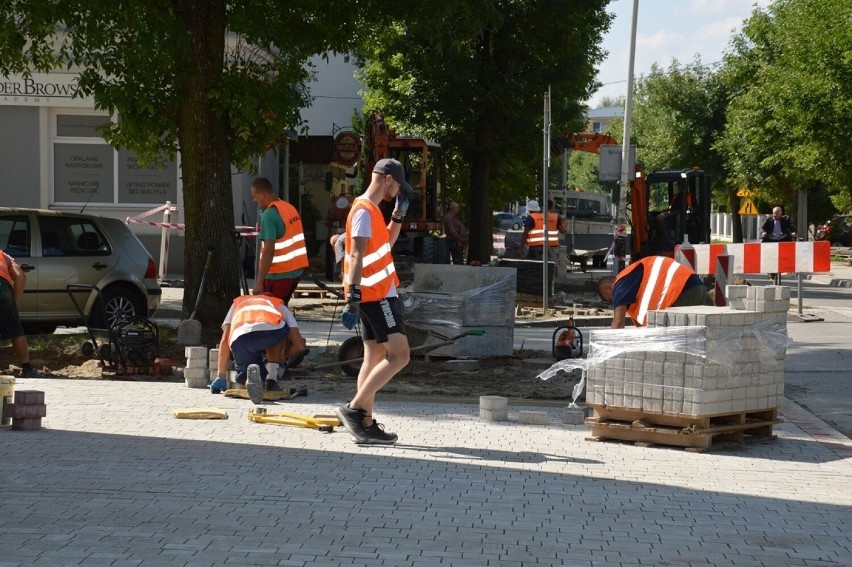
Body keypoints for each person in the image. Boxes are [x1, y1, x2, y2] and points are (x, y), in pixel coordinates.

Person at [334, 157, 412, 444]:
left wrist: (398, 215)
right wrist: (353, 297)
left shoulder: (373, 210)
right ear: (388, 179)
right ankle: (355, 409)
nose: (398, 193)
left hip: (375, 293)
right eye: (398, 187)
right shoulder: (365, 211)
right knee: (400, 356)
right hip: (376, 295)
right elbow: (355, 255)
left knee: (374, 357)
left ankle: (365, 425)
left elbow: (385, 245)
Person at [212, 293, 307, 402]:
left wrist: (221, 375)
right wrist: (282, 356)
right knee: (280, 327)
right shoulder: (278, 304)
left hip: (241, 339)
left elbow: (224, 340)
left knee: (251, 373)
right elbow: (299, 345)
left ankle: (252, 382)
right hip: (272, 333)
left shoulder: (238, 303)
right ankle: (271, 379)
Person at [596, 256, 706, 329]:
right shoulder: (631, 275)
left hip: (681, 290)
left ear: (607, 288)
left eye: (610, 299)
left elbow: (618, 322)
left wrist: (609, 349)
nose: (614, 301)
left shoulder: (619, 284)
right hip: (697, 286)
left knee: (675, 338)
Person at [250, 177, 308, 305]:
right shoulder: (289, 208)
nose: (254, 200)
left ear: (262, 194)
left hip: (278, 275)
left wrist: (259, 282)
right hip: (294, 272)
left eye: (254, 196)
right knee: (282, 310)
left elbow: (268, 251)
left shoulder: (269, 215)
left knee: (272, 315)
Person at [0, 251, 42, 378]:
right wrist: (14, 301)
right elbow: (20, 276)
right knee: (16, 330)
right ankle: (27, 368)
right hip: (2, 291)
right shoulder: (3, 256)